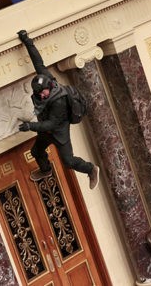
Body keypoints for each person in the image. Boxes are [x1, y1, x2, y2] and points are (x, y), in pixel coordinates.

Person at [17, 30, 100, 190]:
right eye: (38, 93)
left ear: (49, 87)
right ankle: (46, 170)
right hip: (46, 131)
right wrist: (27, 41)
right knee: (36, 151)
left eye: (43, 92)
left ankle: (90, 169)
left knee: (68, 162)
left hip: (58, 132)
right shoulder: (46, 78)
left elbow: (51, 124)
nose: (41, 96)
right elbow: (38, 63)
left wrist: (30, 126)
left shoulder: (58, 101)